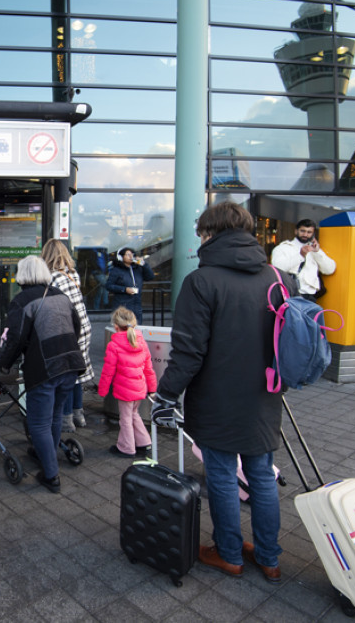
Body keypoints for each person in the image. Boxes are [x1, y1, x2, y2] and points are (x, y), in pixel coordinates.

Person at [151, 202, 293, 584]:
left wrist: (165, 396)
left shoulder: (201, 281)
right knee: (261, 475)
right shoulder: (277, 277)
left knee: (223, 476)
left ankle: (229, 553)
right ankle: (269, 558)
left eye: (200, 233)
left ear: (209, 233)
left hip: (217, 398)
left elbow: (189, 352)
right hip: (264, 395)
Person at [0, 255, 85, 494]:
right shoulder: (60, 295)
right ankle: (47, 455)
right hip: (70, 364)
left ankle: (51, 475)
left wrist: (3, 364)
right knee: (55, 416)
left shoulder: (22, 300)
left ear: (22, 274)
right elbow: (76, 327)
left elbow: (15, 338)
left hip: (45, 368)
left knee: (38, 423)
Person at [41, 239, 94, 432]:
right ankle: (79, 414)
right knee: (77, 371)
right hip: (83, 326)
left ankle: (66, 419)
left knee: (66, 374)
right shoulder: (72, 274)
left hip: (68, 329)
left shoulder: (52, 278)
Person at [97, 306, 156, 459]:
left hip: (125, 391)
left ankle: (126, 448)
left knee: (125, 419)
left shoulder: (114, 345)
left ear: (116, 327)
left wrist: (102, 390)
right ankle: (144, 443)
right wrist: (152, 388)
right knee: (134, 414)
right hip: (140, 388)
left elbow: (108, 371)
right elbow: (148, 369)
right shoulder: (141, 342)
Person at [270, 218, 336, 302]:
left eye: (309, 232)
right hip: (289, 295)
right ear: (296, 231)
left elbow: (330, 269)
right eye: (302, 231)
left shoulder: (314, 250)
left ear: (313, 234)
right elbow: (277, 267)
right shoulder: (283, 248)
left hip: (310, 296)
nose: (305, 234)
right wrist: (300, 255)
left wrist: (317, 252)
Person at [105, 246, 155, 323]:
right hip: (123, 304)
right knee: (123, 325)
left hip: (136, 304)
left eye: (132, 254)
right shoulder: (116, 270)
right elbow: (108, 286)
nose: (131, 256)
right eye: (128, 254)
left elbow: (150, 277)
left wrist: (144, 264)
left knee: (137, 325)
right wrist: (125, 289)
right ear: (121, 257)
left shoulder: (138, 268)